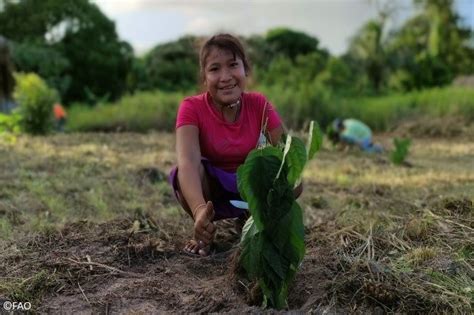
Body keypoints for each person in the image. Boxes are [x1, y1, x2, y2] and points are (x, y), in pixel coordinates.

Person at [169, 33, 300, 256]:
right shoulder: (191, 108)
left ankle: (252, 220)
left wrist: (287, 184)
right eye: (214, 69)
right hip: (212, 189)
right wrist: (200, 210)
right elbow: (188, 162)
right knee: (182, 173)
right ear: (204, 78)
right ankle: (204, 232)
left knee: (294, 181)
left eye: (233, 65)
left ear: (245, 70)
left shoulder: (259, 104)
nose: (226, 76)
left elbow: (286, 152)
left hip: (249, 185)